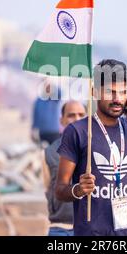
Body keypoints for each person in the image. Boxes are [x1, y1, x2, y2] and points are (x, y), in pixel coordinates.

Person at [55, 59, 127, 236]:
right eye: (110, 92)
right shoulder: (77, 131)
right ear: (95, 92)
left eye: (123, 92)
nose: (117, 99)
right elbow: (60, 190)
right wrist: (77, 189)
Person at [45, 100, 86, 236]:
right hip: (60, 227)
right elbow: (47, 187)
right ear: (62, 120)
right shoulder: (48, 153)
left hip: (90, 227)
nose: (77, 119)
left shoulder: (97, 148)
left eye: (81, 115)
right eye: (71, 115)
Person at [31, 80, 62, 145]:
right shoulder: (38, 101)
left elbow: (60, 93)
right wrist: (33, 129)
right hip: (42, 132)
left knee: (54, 153)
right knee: (43, 153)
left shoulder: (54, 99)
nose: (48, 89)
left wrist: (52, 84)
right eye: (46, 87)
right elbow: (35, 116)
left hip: (54, 132)